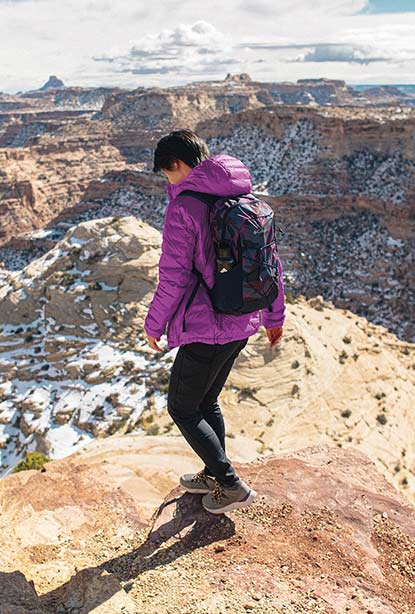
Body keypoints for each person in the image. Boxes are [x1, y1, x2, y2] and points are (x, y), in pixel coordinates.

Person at [144, 129, 285, 514]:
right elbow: (271, 264)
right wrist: (275, 315)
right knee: (207, 400)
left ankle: (230, 484)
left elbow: (173, 276)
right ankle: (212, 473)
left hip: (208, 326)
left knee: (182, 407)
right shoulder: (244, 198)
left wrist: (154, 324)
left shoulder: (184, 207)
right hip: (243, 321)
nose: (167, 182)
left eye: (166, 174)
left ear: (175, 165)